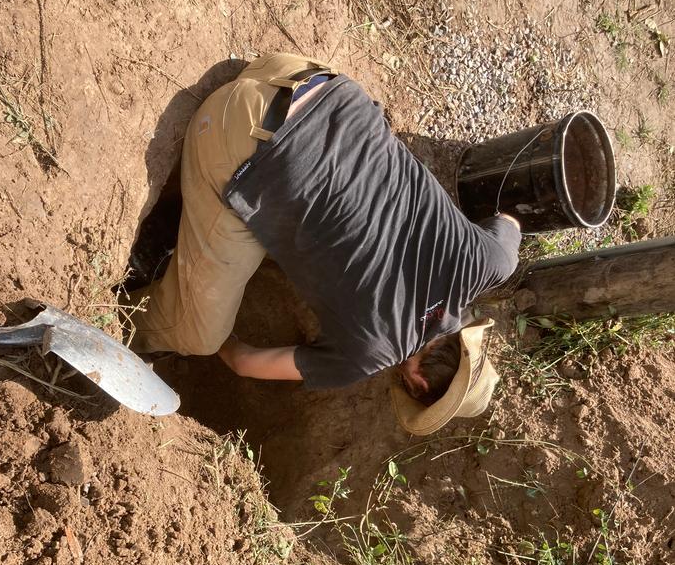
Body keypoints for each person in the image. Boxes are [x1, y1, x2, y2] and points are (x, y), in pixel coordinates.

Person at [128, 52, 521, 435]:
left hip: (303, 76)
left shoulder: (490, 262)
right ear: (418, 384)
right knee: (198, 335)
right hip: (234, 132)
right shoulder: (369, 355)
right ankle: (124, 320)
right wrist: (214, 322)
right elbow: (245, 362)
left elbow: (510, 222)